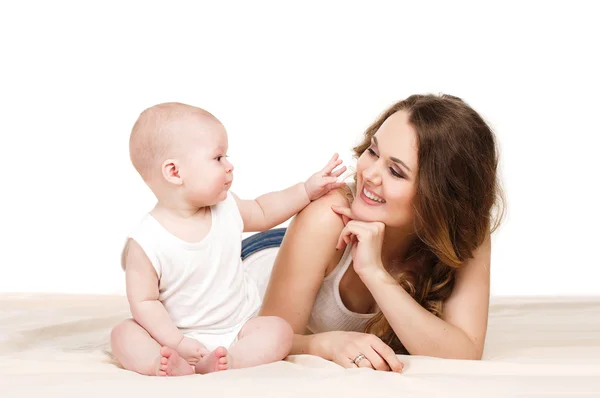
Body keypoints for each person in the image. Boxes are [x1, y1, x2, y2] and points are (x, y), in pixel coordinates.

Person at [247, 94, 504, 372]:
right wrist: (326, 345)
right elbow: (264, 338)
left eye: (395, 171)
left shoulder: (465, 233)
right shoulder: (326, 216)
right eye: (373, 151)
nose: (369, 174)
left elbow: (464, 352)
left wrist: (374, 272)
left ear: (441, 198)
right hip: (256, 261)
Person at [110, 102, 347, 376]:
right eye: (218, 158)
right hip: (172, 337)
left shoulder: (225, 208)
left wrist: (306, 190)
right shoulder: (146, 242)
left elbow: (263, 209)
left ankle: (230, 360)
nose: (230, 166)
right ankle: (160, 364)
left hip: (237, 329)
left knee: (279, 331)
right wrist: (176, 342)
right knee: (124, 334)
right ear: (175, 172)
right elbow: (144, 303)